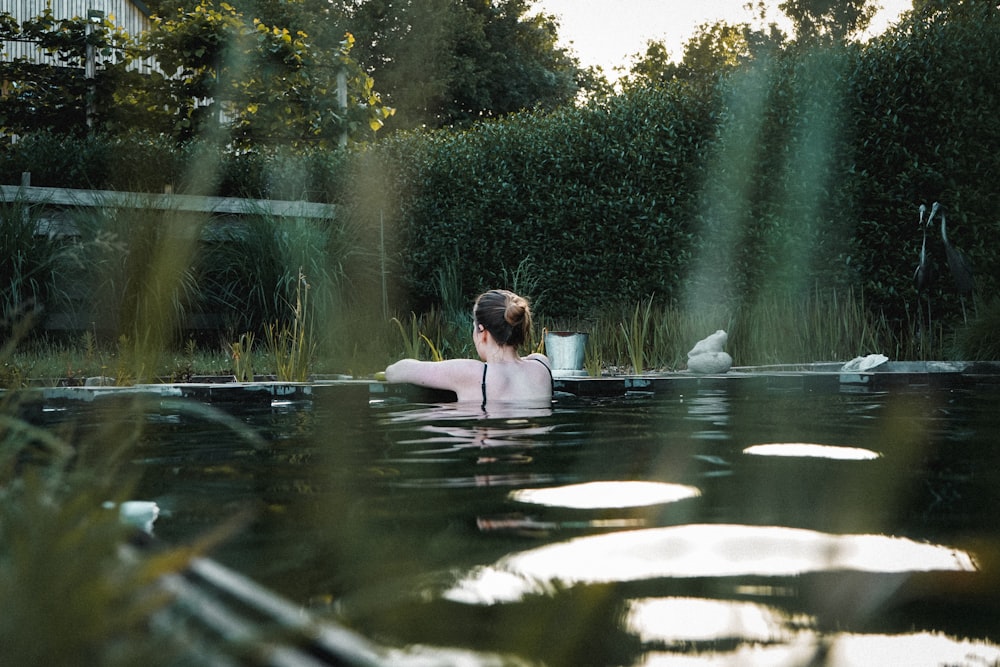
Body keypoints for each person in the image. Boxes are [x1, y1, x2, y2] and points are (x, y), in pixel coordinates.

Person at [385, 289, 553, 409]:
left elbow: (394, 372)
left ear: (482, 331)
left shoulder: (474, 373)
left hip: (489, 447)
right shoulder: (541, 365)